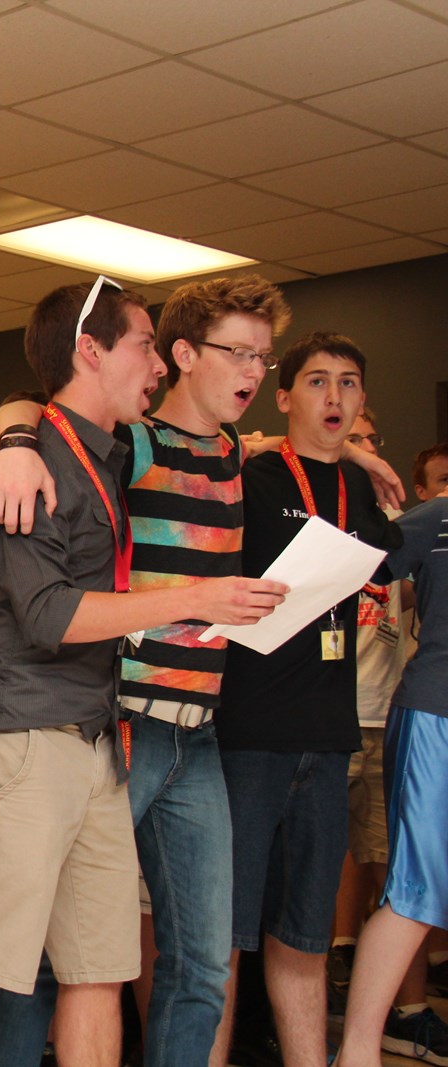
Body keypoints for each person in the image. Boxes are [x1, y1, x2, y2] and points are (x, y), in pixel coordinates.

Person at [0, 277, 287, 1067]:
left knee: (98, 971)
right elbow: (49, 615)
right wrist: (196, 597)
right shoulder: (35, 460)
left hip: (95, 738)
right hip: (21, 735)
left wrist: (13, 432)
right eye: (145, 344)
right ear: (91, 350)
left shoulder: (102, 451)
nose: (158, 363)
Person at [212, 332, 399, 1067]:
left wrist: (360, 456)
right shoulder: (252, 476)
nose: (334, 396)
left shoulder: (364, 492)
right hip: (248, 736)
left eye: (348, 383)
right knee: (222, 939)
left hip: (327, 738)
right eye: (317, 382)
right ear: (284, 396)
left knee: (306, 938)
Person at [333, 484, 448, 1067]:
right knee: (415, 891)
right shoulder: (438, 517)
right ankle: (357, 1054)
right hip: (436, 716)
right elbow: (351, 573)